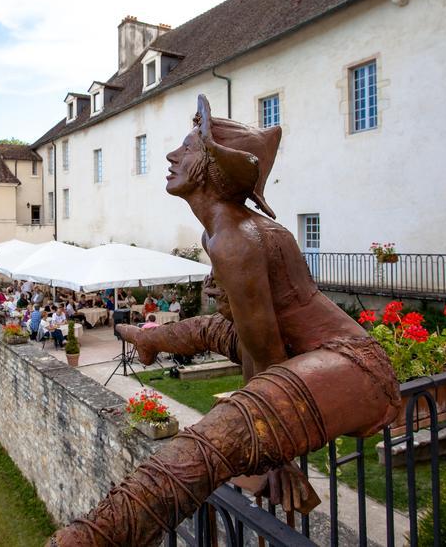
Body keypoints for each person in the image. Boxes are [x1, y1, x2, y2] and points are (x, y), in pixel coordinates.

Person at [50, 94, 399, 546]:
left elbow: (267, 353)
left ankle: (87, 539)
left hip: (352, 369)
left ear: (211, 168)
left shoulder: (235, 237)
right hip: (312, 354)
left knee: (211, 442)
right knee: (214, 330)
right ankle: (150, 340)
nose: (173, 157)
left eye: (187, 150)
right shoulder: (224, 228)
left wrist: (275, 444)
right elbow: (254, 339)